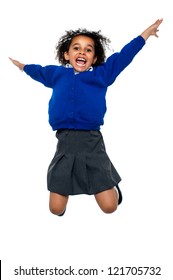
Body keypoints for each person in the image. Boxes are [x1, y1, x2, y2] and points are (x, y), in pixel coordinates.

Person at [9, 19, 163, 216]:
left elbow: (125, 56)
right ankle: (65, 193)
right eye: (76, 48)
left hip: (92, 143)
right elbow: (37, 71)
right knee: (55, 209)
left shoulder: (102, 75)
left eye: (88, 50)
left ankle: (111, 186)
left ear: (95, 58)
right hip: (64, 143)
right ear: (66, 54)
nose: (82, 52)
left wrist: (145, 35)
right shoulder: (56, 74)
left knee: (110, 208)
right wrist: (22, 66)